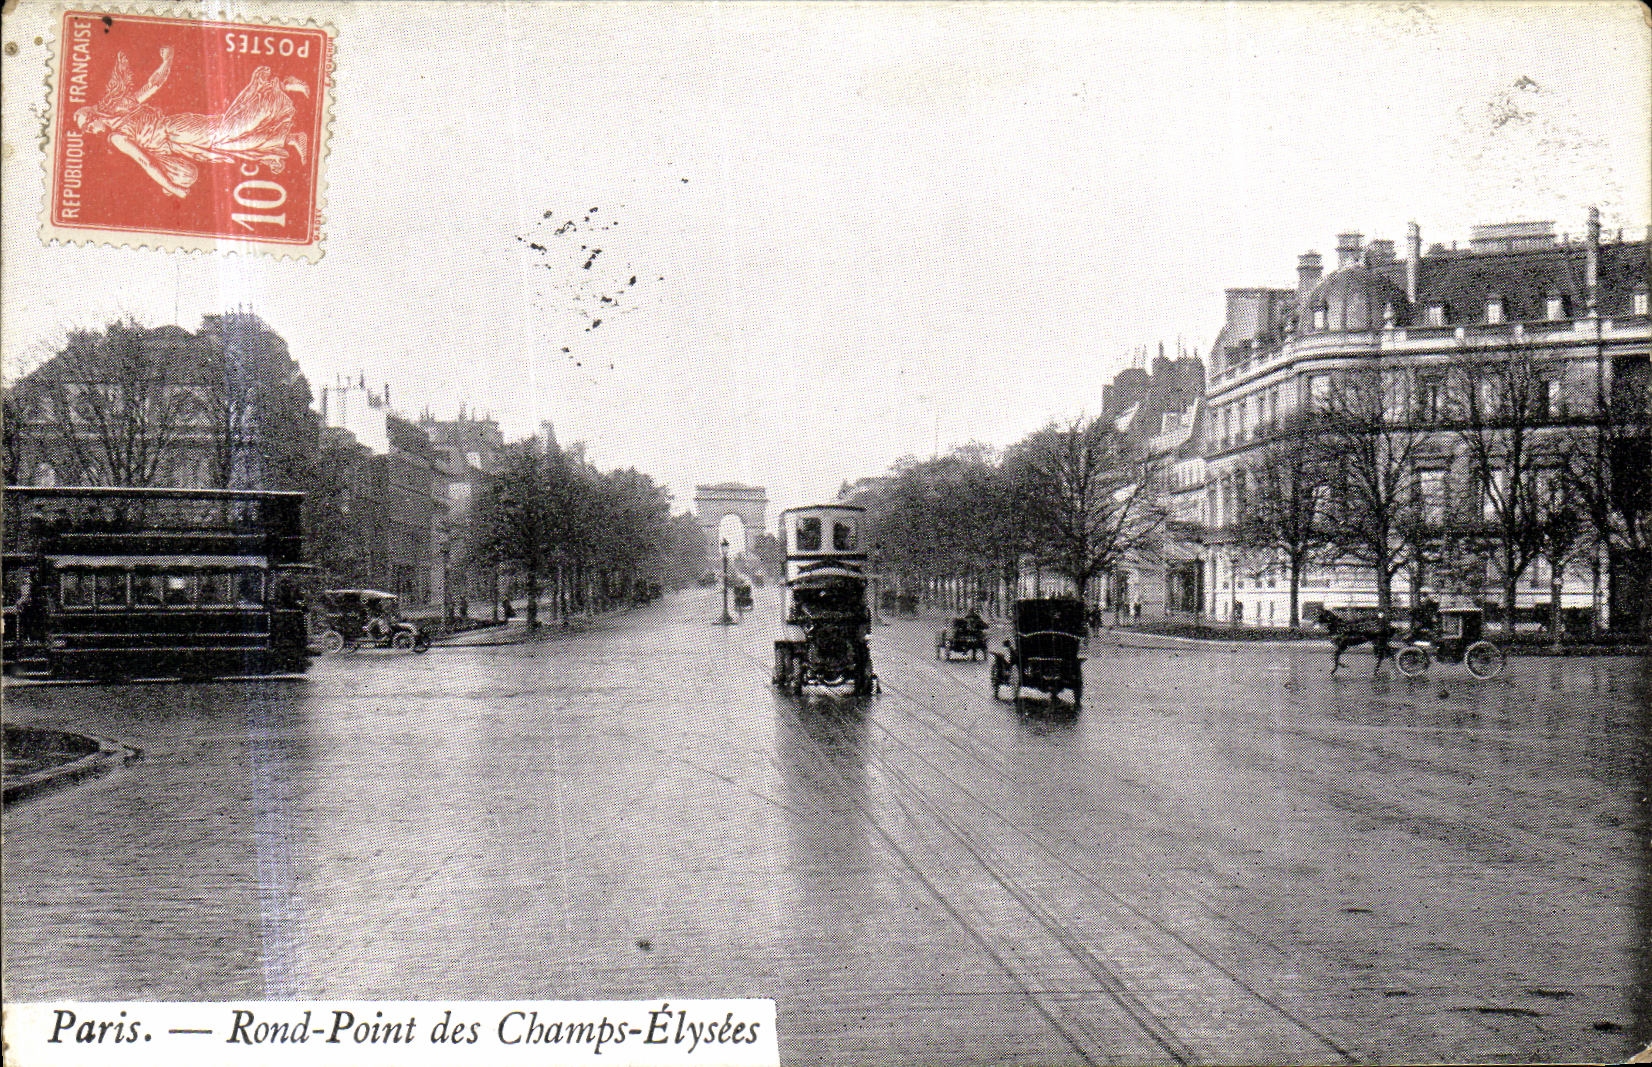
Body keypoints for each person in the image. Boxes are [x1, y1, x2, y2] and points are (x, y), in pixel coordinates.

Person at [75, 48, 311, 199]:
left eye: (88, 128)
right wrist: (167, 59)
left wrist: (175, 189)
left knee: (227, 132)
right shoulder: (121, 114)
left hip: (176, 131)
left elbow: (146, 162)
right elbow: (153, 87)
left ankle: (279, 86)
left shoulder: (117, 134)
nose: (92, 132)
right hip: (179, 144)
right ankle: (290, 138)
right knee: (230, 143)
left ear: (95, 116)